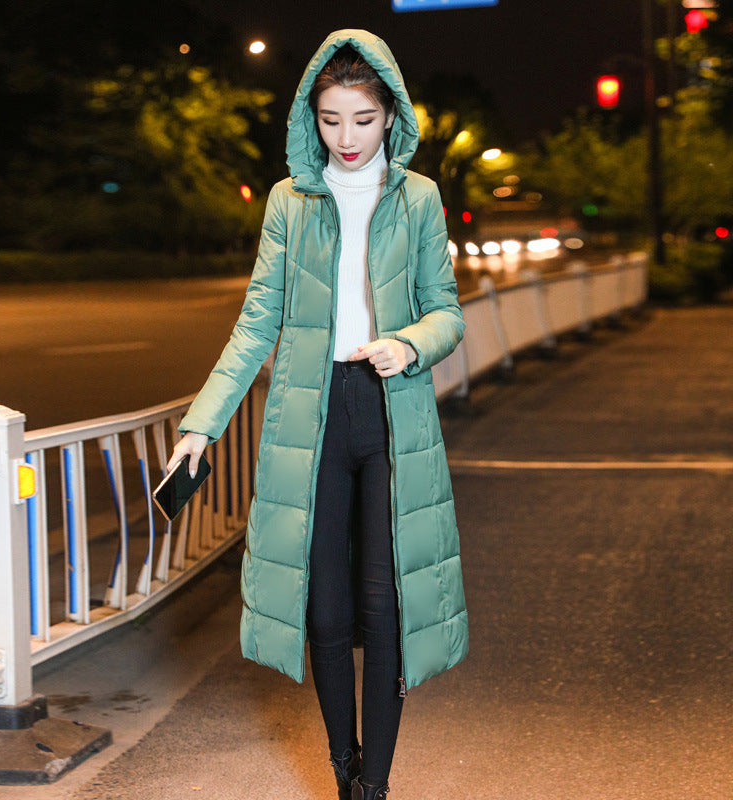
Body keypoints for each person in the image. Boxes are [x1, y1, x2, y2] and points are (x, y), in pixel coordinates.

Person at [167, 29, 468, 800]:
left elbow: (448, 312)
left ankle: (377, 786)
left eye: (362, 119)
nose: (347, 136)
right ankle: (344, 768)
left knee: (384, 603)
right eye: (331, 119)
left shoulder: (419, 198)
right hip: (311, 415)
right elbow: (256, 324)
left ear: (391, 115)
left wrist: (409, 343)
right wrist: (202, 423)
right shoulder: (289, 201)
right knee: (325, 609)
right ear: (313, 117)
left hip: (392, 411)